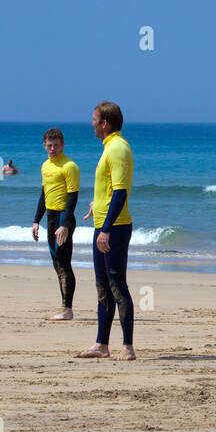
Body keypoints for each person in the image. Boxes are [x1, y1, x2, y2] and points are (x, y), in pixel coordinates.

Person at [80, 102, 136, 359]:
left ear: (105, 123)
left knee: (117, 286)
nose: (91, 123)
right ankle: (102, 344)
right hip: (101, 225)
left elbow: (121, 192)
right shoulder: (108, 148)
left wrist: (106, 228)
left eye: (94, 119)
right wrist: (96, 205)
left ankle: (128, 347)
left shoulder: (118, 149)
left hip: (114, 229)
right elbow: (109, 190)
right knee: (102, 286)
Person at [31, 128, 81, 321]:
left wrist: (66, 224)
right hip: (51, 219)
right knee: (56, 263)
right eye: (49, 146)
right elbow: (44, 195)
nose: (52, 149)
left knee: (64, 263)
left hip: (62, 218)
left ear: (63, 145)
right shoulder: (45, 166)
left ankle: (67, 309)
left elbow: (73, 198)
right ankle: (64, 306)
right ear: (44, 145)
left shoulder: (69, 166)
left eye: (56, 145)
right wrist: (36, 220)